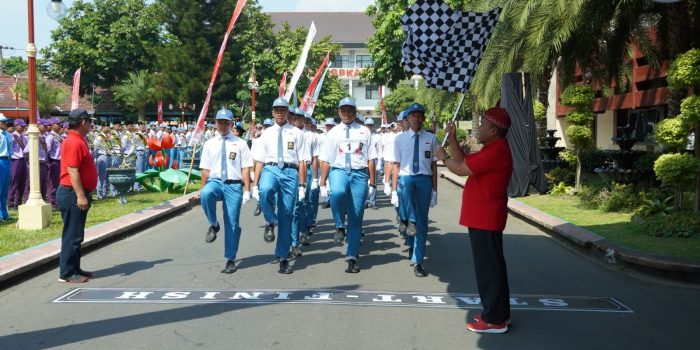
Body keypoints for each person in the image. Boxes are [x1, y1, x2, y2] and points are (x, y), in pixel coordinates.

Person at [434, 107, 513, 334]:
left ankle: (494, 320)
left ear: (494, 129)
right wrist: (452, 138)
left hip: (485, 218)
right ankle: (498, 314)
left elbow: (459, 169)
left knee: (489, 270)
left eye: (483, 124)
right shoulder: (493, 148)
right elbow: (465, 160)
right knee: (491, 268)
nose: (478, 127)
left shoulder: (496, 151)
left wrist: (443, 157)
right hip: (484, 217)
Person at [319, 97, 377, 273]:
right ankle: (339, 225)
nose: (346, 113)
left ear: (355, 112)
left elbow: (371, 158)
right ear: (338, 112)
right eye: (343, 110)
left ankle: (352, 256)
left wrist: (373, 183)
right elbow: (326, 159)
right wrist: (322, 183)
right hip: (339, 171)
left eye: (350, 110)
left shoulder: (364, 132)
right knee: (336, 193)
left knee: (356, 215)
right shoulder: (333, 133)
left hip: (359, 174)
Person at [252, 97, 309, 274]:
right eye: (277, 110)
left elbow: (302, 161)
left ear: (288, 113)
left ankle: (283, 257)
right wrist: (255, 185)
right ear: (272, 112)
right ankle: (270, 219)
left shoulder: (297, 133)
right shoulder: (266, 134)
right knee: (266, 189)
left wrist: (302, 184)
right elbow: (260, 161)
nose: (280, 113)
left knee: (287, 215)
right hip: (271, 169)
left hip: (290, 173)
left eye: (283, 110)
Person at [193, 108, 252, 274]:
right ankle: (213, 224)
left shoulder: (240, 143)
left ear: (232, 124)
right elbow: (205, 170)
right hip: (215, 181)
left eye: (227, 122)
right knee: (206, 194)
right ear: (216, 123)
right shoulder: (209, 144)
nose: (223, 125)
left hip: (234, 185)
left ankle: (230, 258)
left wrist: (247, 190)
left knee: (232, 223)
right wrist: (201, 190)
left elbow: (246, 168)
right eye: (220, 122)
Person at [391, 103, 438, 277]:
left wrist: (435, 190)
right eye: (413, 116)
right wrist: (393, 190)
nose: (416, 119)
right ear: (408, 119)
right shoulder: (400, 139)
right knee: (407, 184)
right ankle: (409, 219)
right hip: (406, 178)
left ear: (423, 118)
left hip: (424, 180)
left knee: (422, 222)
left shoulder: (431, 138)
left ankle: (418, 261)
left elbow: (434, 165)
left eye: (420, 116)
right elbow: (396, 165)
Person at [57, 108, 98, 283]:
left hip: (75, 193)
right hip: (72, 193)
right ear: (82, 123)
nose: (91, 124)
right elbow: (72, 170)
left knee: (77, 234)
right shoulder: (74, 142)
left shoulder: (78, 140)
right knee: (72, 235)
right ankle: (66, 273)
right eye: (89, 121)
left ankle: (75, 267)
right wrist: (81, 196)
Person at [9, 118, 28, 209]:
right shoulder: (12, 137)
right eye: (21, 126)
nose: (23, 127)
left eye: (24, 126)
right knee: (14, 182)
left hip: (23, 160)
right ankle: (10, 203)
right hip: (15, 160)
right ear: (15, 126)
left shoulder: (24, 137)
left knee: (23, 181)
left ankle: (18, 202)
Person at [0, 114, 12, 221]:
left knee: (5, 189)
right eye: (3, 122)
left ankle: (4, 214)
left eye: (5, 121)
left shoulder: (8, 134)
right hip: (0, 160)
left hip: (7, 160)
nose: (5, 123)